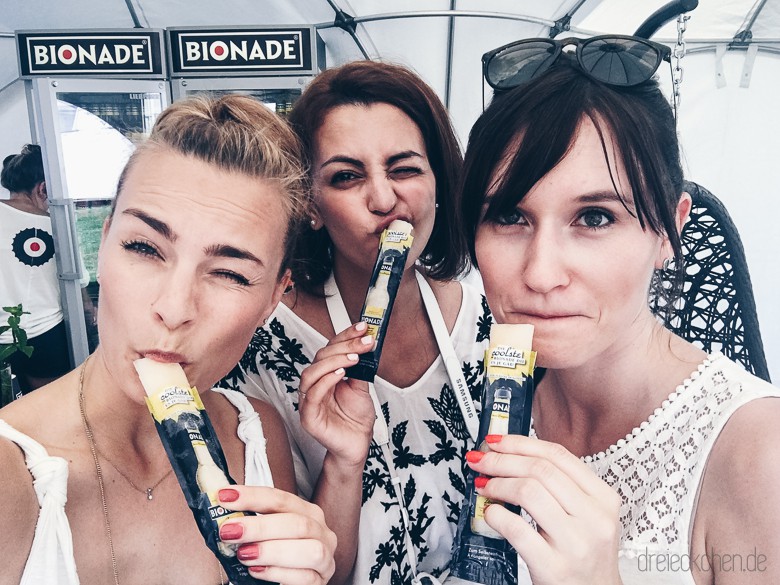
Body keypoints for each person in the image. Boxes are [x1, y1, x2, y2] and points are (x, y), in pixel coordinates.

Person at [455, 39, 780, 584]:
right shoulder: (477, 402)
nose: (541, 273)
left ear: (670, 231)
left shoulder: (758, 455)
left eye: (595, 218)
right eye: (510, 216)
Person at [0, 95, 336, 585]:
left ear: (273, 297)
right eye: (144, 247)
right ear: (104, 244)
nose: (175, 309)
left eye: (230, 273)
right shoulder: (12, 475)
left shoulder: (256, 435)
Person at [223, 61, 492, 584]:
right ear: (311, 206)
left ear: (439, 182)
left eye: (405, 169)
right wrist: (343, 464)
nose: (385, 201)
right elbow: (309, 573)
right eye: (347, 176)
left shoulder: (489, 323)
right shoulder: (262, 350)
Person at [0, 144, 92, 393]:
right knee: (50, 408)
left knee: (9, 412)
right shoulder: (56, 225)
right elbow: (80, 293)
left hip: (2, 340)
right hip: (46, 338)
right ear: (43, 188)